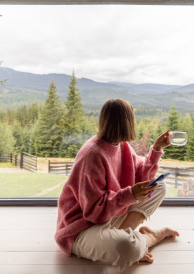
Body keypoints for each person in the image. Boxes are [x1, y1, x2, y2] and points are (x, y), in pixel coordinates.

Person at [55, 98, 179, 269]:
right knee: (127, 248)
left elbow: (142, 176)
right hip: (81, 228)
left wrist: (156, 149)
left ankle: (128, 236)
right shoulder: (92, 154)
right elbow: (94, 214)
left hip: (109, 215)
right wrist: (130, 195)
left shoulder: (122, 146)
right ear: (126, 122)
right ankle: (150, 238)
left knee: (158, 187)